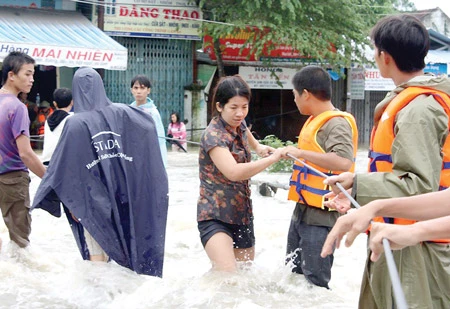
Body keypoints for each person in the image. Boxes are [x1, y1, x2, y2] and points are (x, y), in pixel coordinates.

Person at [321, 14, 450, 308]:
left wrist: (362, 188)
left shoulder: (419, 110)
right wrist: (356, 183)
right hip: (396, 234)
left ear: (385, 56)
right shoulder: (410, 101)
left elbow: (419, 184)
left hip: (418, 249)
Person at [32, 67, 169, 277]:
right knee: (126, 248)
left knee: (98, 258)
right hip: (124, 195)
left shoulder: (75, 123)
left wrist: (73, 205)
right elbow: (147, 127)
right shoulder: (124, 113)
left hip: (93, 200)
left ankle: (101, 301)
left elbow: (65, 168)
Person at [279, 66, 358, 289]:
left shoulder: (336, 122)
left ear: (306, 94)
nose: (294, 101)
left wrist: (300, 153)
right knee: (293, 274)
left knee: (315, 281)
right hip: (303, 209)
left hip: (322, 215)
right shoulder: (316, 120)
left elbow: (344, 161)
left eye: (295, 95)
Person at [197, 75, 285, 272]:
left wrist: (263, 150)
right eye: (234, 107)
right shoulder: (213, 136)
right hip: (214, 215)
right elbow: (234, 172)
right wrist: (271, 159)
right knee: (227, 276)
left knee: (245, 276)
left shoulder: (241, 125)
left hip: (242, 214)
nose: (240, 113)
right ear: (220, 106)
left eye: (244, 107)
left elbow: (255, 144)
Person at [0, 51, 46, 250]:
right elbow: (26, 153)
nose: (32, 79)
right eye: (27, 74)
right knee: (20, 243)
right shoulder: (17, 107)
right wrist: (50, 177)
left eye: (33, 74)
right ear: (12, 75)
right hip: (12, 179)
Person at [130, 75, 167, 166]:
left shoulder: (153, 113)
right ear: (131, 90)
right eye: (136, 88)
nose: (139, 91)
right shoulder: (128, 111)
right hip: (133, 157)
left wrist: (161, 163)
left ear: (148, 90)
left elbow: (160, 139)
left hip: (148, 157)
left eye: (142, 88)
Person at [41, 88, 73, 165]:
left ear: (54, 104)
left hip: (47, 161)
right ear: (72, 102)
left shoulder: (47, 120)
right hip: (63, 162)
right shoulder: (72, 119)